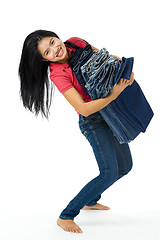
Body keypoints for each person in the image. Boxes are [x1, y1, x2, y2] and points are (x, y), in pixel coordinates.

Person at [18, 30, 134, 234]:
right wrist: (115, 93)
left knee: (125, 166)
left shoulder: (76, 43)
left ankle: (91, 200)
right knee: (109, 173)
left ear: (57, 37)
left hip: (109, 113)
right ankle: (66, 215)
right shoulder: (58, 74)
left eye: (53, 42)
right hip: (93, 121)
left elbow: (107, 59)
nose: (55, 49)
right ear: (44, 60)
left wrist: (124, 71)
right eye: (47, 52)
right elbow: (83, 108)